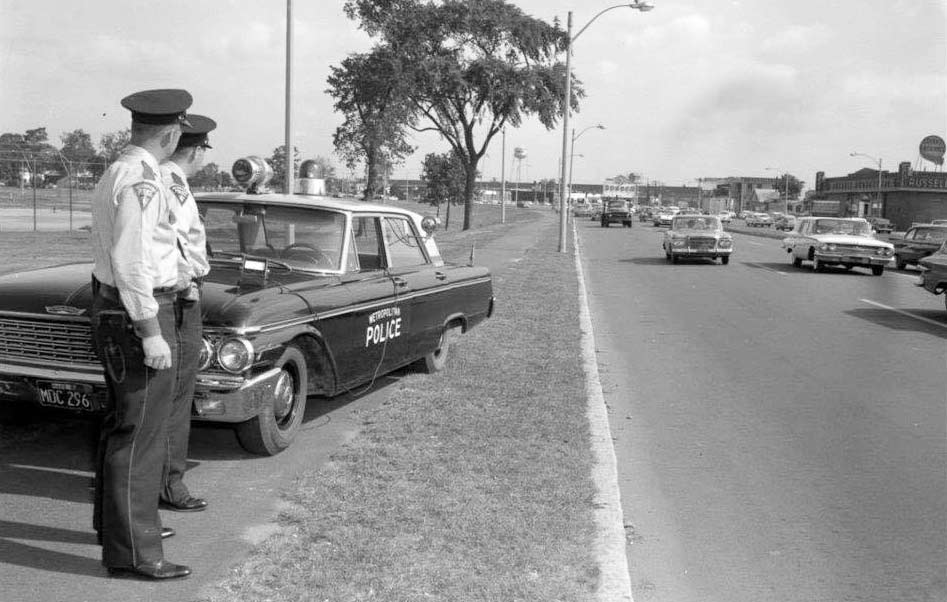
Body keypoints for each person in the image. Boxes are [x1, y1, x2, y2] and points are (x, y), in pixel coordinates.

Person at [90, 88, 193, 580]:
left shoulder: (120, 170)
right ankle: (135, 554)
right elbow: (133, 262)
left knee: (122, 427)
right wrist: (151, 332)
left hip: (119, 308)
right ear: (172, 134)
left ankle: (113, 534)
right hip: (140, 315)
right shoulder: (142, 181)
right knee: (142, 436)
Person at [158, 115, 216, 514]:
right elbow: (175, 239)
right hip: (179, 297)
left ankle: (151, 484)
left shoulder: (160, 177)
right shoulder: (172, 181)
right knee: (175, 397)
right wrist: (186, 281)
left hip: (169, 295)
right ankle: (169, 484)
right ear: (196, 150)